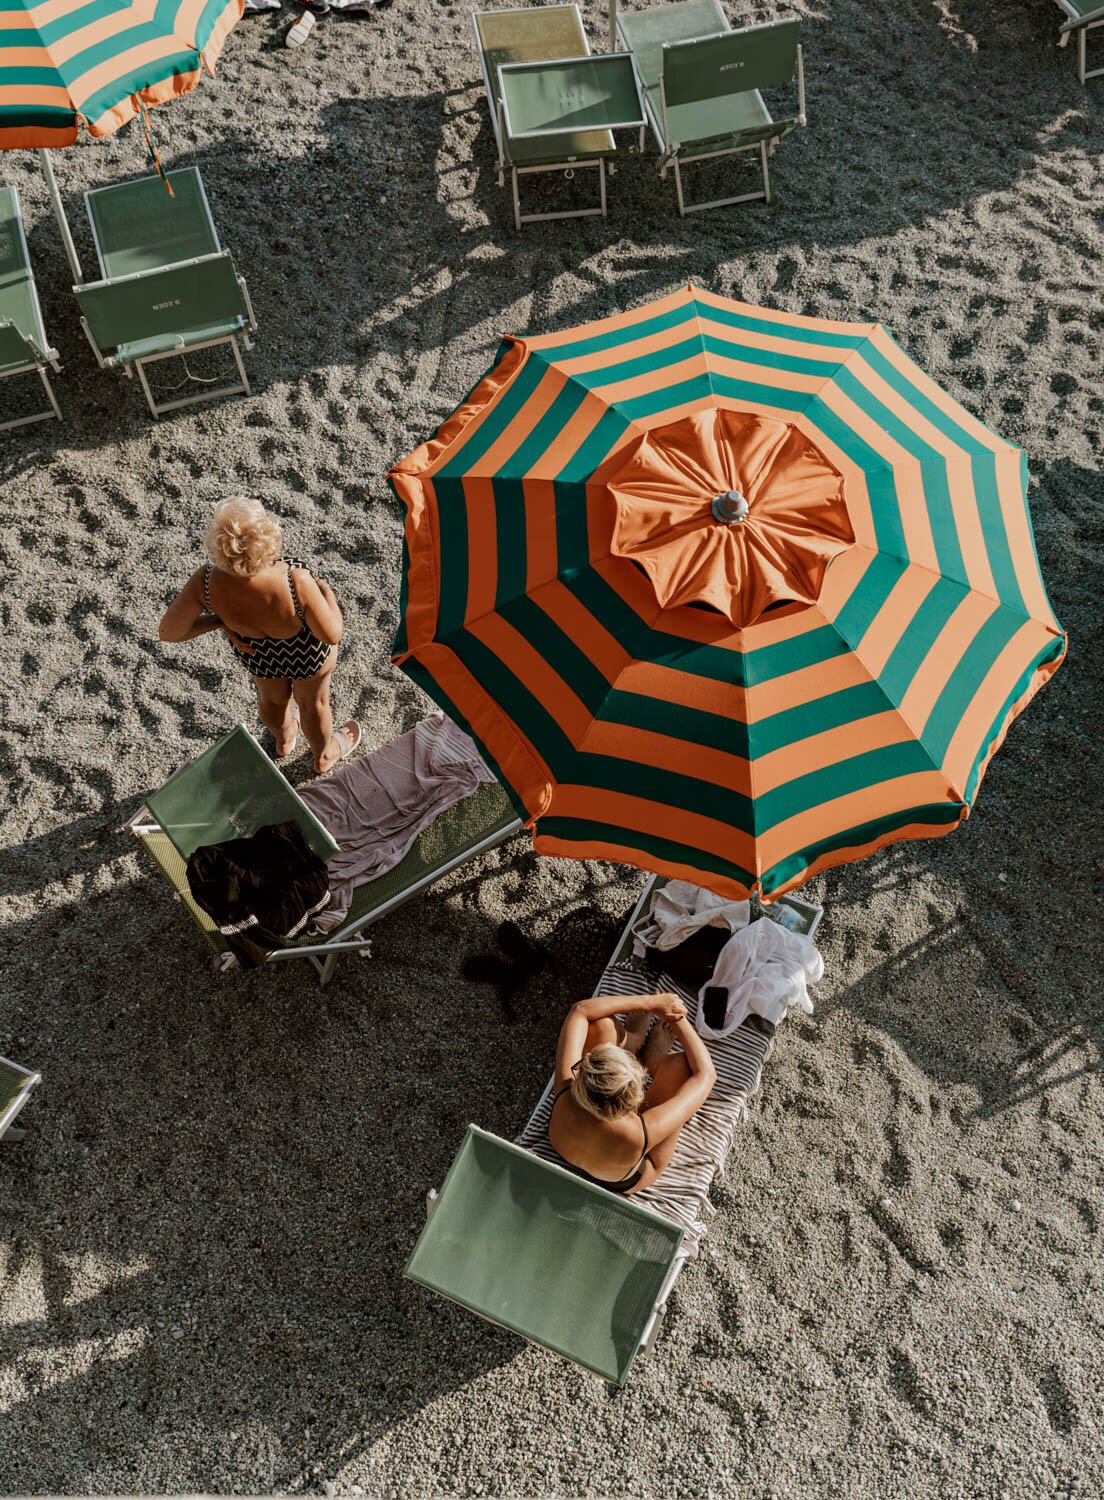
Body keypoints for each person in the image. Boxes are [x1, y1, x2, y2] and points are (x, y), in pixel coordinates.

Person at [159, 497, 360, 773]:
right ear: (269, 540)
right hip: (305, 653)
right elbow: (331, 635)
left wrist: (219, 621)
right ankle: (323, 755)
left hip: (259, 654)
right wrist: (329, 595)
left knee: (272, 700)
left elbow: (170, 632)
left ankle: (284, 736)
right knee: (313, 704)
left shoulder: (206, 581)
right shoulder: (294, 580)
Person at [548, 989, 717, 1196]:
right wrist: (674, 1015)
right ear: (634, 1104)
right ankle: (652, 1062)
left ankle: (633, 1040)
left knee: (600, 1026)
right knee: (682, 1067)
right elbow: (706, 1075)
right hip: (623, 1179)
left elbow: (581, 1010)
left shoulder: (567, 1089)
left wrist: (649, 1002)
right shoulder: (642, 1131)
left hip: (565, 1151)